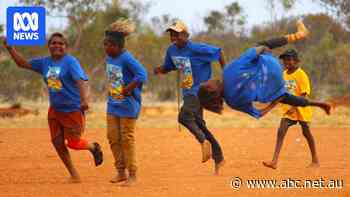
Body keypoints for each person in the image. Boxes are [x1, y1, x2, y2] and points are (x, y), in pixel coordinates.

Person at [2, 32, 103, 183]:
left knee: (74, 143)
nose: (57, 46)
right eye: (53, 43)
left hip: (72, 109)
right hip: (55, 109)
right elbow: (22, 63)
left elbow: (81, 81)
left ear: (66, 47)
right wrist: (10, 48)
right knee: (57, 142)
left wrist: (84, 100)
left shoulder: (70, 62)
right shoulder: (44, 62)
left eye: (60, 43)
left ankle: (93, 147)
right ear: (49, 46)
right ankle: (74, 175)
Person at [198, 20, 331, 120]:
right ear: (212, 88)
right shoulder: (227, 71)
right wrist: (265, 49)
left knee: (287, 98)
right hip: (272, 66)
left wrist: (276, 101)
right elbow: (256, 51)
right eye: (209, 83)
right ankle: (299, 35)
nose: (210, 80)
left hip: (275, 88)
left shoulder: (232, 102)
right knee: (260, 45)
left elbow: (259, 113)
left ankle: (320, 104)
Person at [154, 20, 226, 175]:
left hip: (201, 91)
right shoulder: (171, 50)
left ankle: (203, 141)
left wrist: (225, 74)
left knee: (184, 117)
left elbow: (219, 52)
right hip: (188, 92)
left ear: (186, 35)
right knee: (199, 125)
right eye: (172, 34)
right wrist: (161, 69)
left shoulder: (197, 49)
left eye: (177, 34)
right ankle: (219, 158)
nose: (174, 37)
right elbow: (170, 66)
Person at [103, 19, 148, 186]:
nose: (106, 48)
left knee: (127, 139)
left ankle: (133, 174)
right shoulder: (110, 58)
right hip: (112, 104)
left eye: (109, 45)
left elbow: (142, 75)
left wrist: (127, 89)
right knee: (113, 138)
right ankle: (120, 171)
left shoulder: (127, 58)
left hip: (128, 106)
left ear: (118, 46)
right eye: (105, 44)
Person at [263, 49, 320, 169]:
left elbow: (304, 95)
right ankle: (274, 161)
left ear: (296, 61)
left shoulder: (301, 74)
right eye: (284, 60)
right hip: (288, 111)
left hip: (301, 109)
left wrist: (294, 107)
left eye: (289, 59)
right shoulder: (283, 74)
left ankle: (315, 160)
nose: (286, 62)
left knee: (306, 133)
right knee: (281, 131)